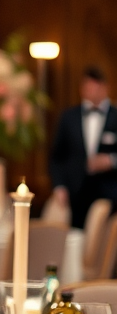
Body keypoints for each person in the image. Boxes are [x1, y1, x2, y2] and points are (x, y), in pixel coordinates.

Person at [49, 65, 117, 230]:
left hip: (110, 194)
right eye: (87, 87)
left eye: (95, 87)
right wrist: (59, 186)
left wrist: (112, 160)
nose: (91, 91)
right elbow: (56, 156)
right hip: (76, 193)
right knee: (76, 239)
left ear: (105, 88)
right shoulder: (68, 117)